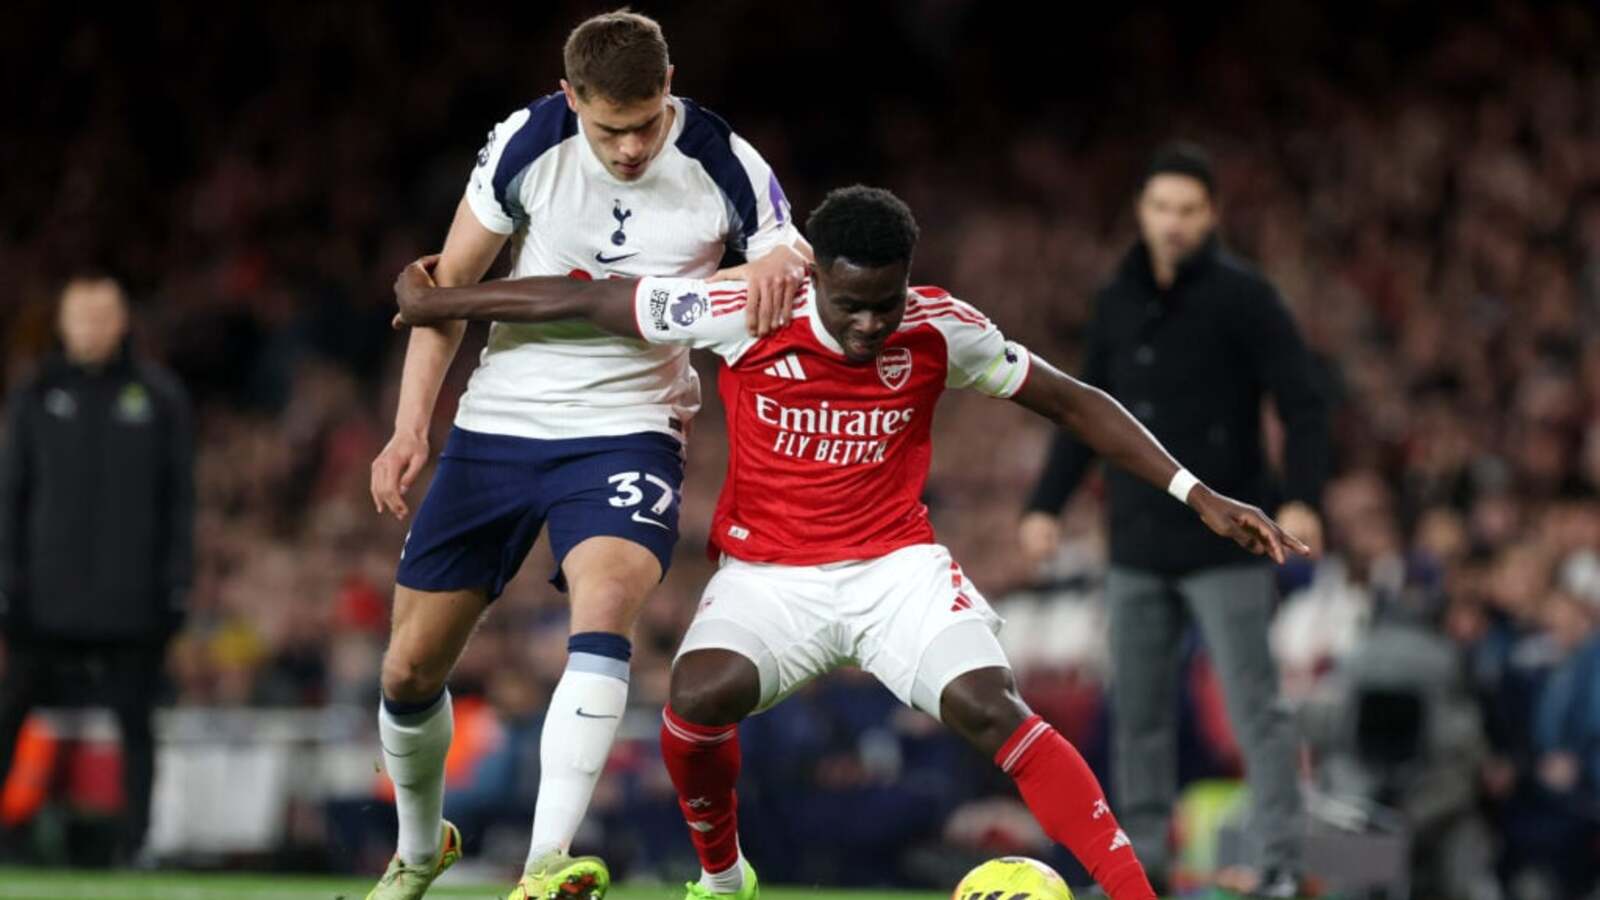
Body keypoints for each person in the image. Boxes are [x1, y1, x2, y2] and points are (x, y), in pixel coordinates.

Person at [392, 184, 1310, 900]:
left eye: (886, 303)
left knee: (992, 707)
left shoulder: (941, 327)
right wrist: (449, 303)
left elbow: (1072, 401)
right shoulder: (744, 308)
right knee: (694, 703)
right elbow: (595, 300)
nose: (872, 324)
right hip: (768, 577)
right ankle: (724, 878)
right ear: (815, 277)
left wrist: (1196, 492)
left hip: (893, 570)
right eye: (853, 304)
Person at [364, 10, 808, 900]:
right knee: (409, 669)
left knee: (603, 610)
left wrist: (779, 262)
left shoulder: (724, 160)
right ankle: (419, 850)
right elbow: (444, 293)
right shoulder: (527, 145)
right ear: (571, 97)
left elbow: (789, 261)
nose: (633, 146)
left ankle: (544, 862)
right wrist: (412, 428)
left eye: (645, 123)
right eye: (611, 129)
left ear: (669, 86)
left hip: (630, 425)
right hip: (500, 421)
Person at [1018, 143, 1330, 896]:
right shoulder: (1117, 298)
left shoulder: (1246, 297)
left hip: (1227, 542)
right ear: (1141, 211)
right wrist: (1046, 504)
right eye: (1162, 207)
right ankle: (1143, 866)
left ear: (1212, 214)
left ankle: (1282, 864)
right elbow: (1083, 411)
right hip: (1136, 540)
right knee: (1138, 711)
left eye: (1188, 210)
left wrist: (1301, 495)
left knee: (1255, 707)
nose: (1174, 223)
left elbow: (1303, 398)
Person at [0, 274, 193, 864]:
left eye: (102, 316)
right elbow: (11, 496)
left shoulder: (159, 398)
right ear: (62, 324)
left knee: (137, 724)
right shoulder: (35, 396)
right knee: (8, 712)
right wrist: (8, 580)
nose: (91, 328)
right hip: (44, 601)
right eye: (80, 317)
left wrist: (176, 584)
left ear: (122, 322)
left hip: (130, 601)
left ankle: (135, 845)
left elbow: (179, 501)